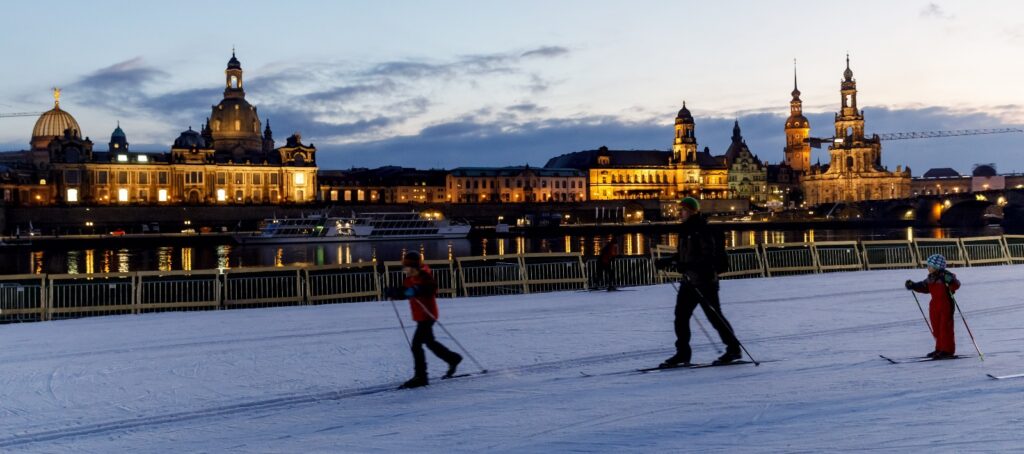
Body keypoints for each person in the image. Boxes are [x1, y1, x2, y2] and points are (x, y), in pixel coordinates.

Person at [660, 197, 742, 367]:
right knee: (681, 317)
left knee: (714, 316)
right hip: (689, 281)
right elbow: (684, 255)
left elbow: (707, 257)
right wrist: (668, 260)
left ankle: (733, 349)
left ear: (691, 211)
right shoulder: (686, 230)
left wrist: (683, 264)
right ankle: (682, 353)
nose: (679, 213)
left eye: (682, 210)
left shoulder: (702, 230)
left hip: (705, 281)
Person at [387, 251, 462, 389]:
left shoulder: (424, 276)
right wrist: (395, 292)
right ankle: (453, 358)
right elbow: (405, 291)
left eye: (407, 266)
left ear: (414, 266)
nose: (405, 269)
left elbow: (431, 288)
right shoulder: (409, 279)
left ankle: (421, 377)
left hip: (428, 315)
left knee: (416, 345)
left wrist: (417, 290)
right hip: (420, 315)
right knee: (429, 342)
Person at [905, 254, 960, 359]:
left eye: (930, 266)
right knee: (936, 328)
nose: (928, 268)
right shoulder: (931, 277)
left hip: (946, 305)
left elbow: (956, 285)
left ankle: (947, 350)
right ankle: (939, 348)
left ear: (937, 267)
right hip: (934, 306)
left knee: (945, 328)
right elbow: (924, 287)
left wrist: (951, 281)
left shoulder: (946, 276)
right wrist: (913, 285)